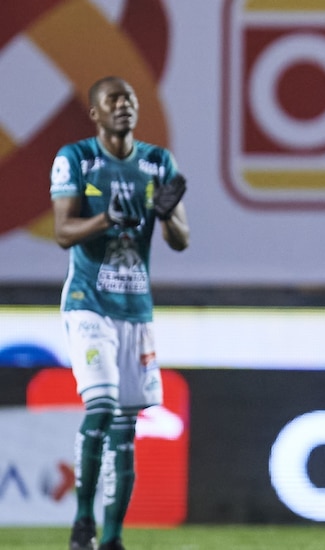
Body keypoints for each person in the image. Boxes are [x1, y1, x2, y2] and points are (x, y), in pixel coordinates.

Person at [51, 76, 190, 550]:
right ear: (96, 113)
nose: (124, 105)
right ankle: (82, 521)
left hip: (135, 307)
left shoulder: (157, 162)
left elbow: (181, 240)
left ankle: (111, 538)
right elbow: (63, 231)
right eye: (113, 99)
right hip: (88, 301)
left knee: (127, 426)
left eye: (128, 99)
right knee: (102, 407)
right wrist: (105, 218)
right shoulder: (77, 158)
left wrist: (167, 213)